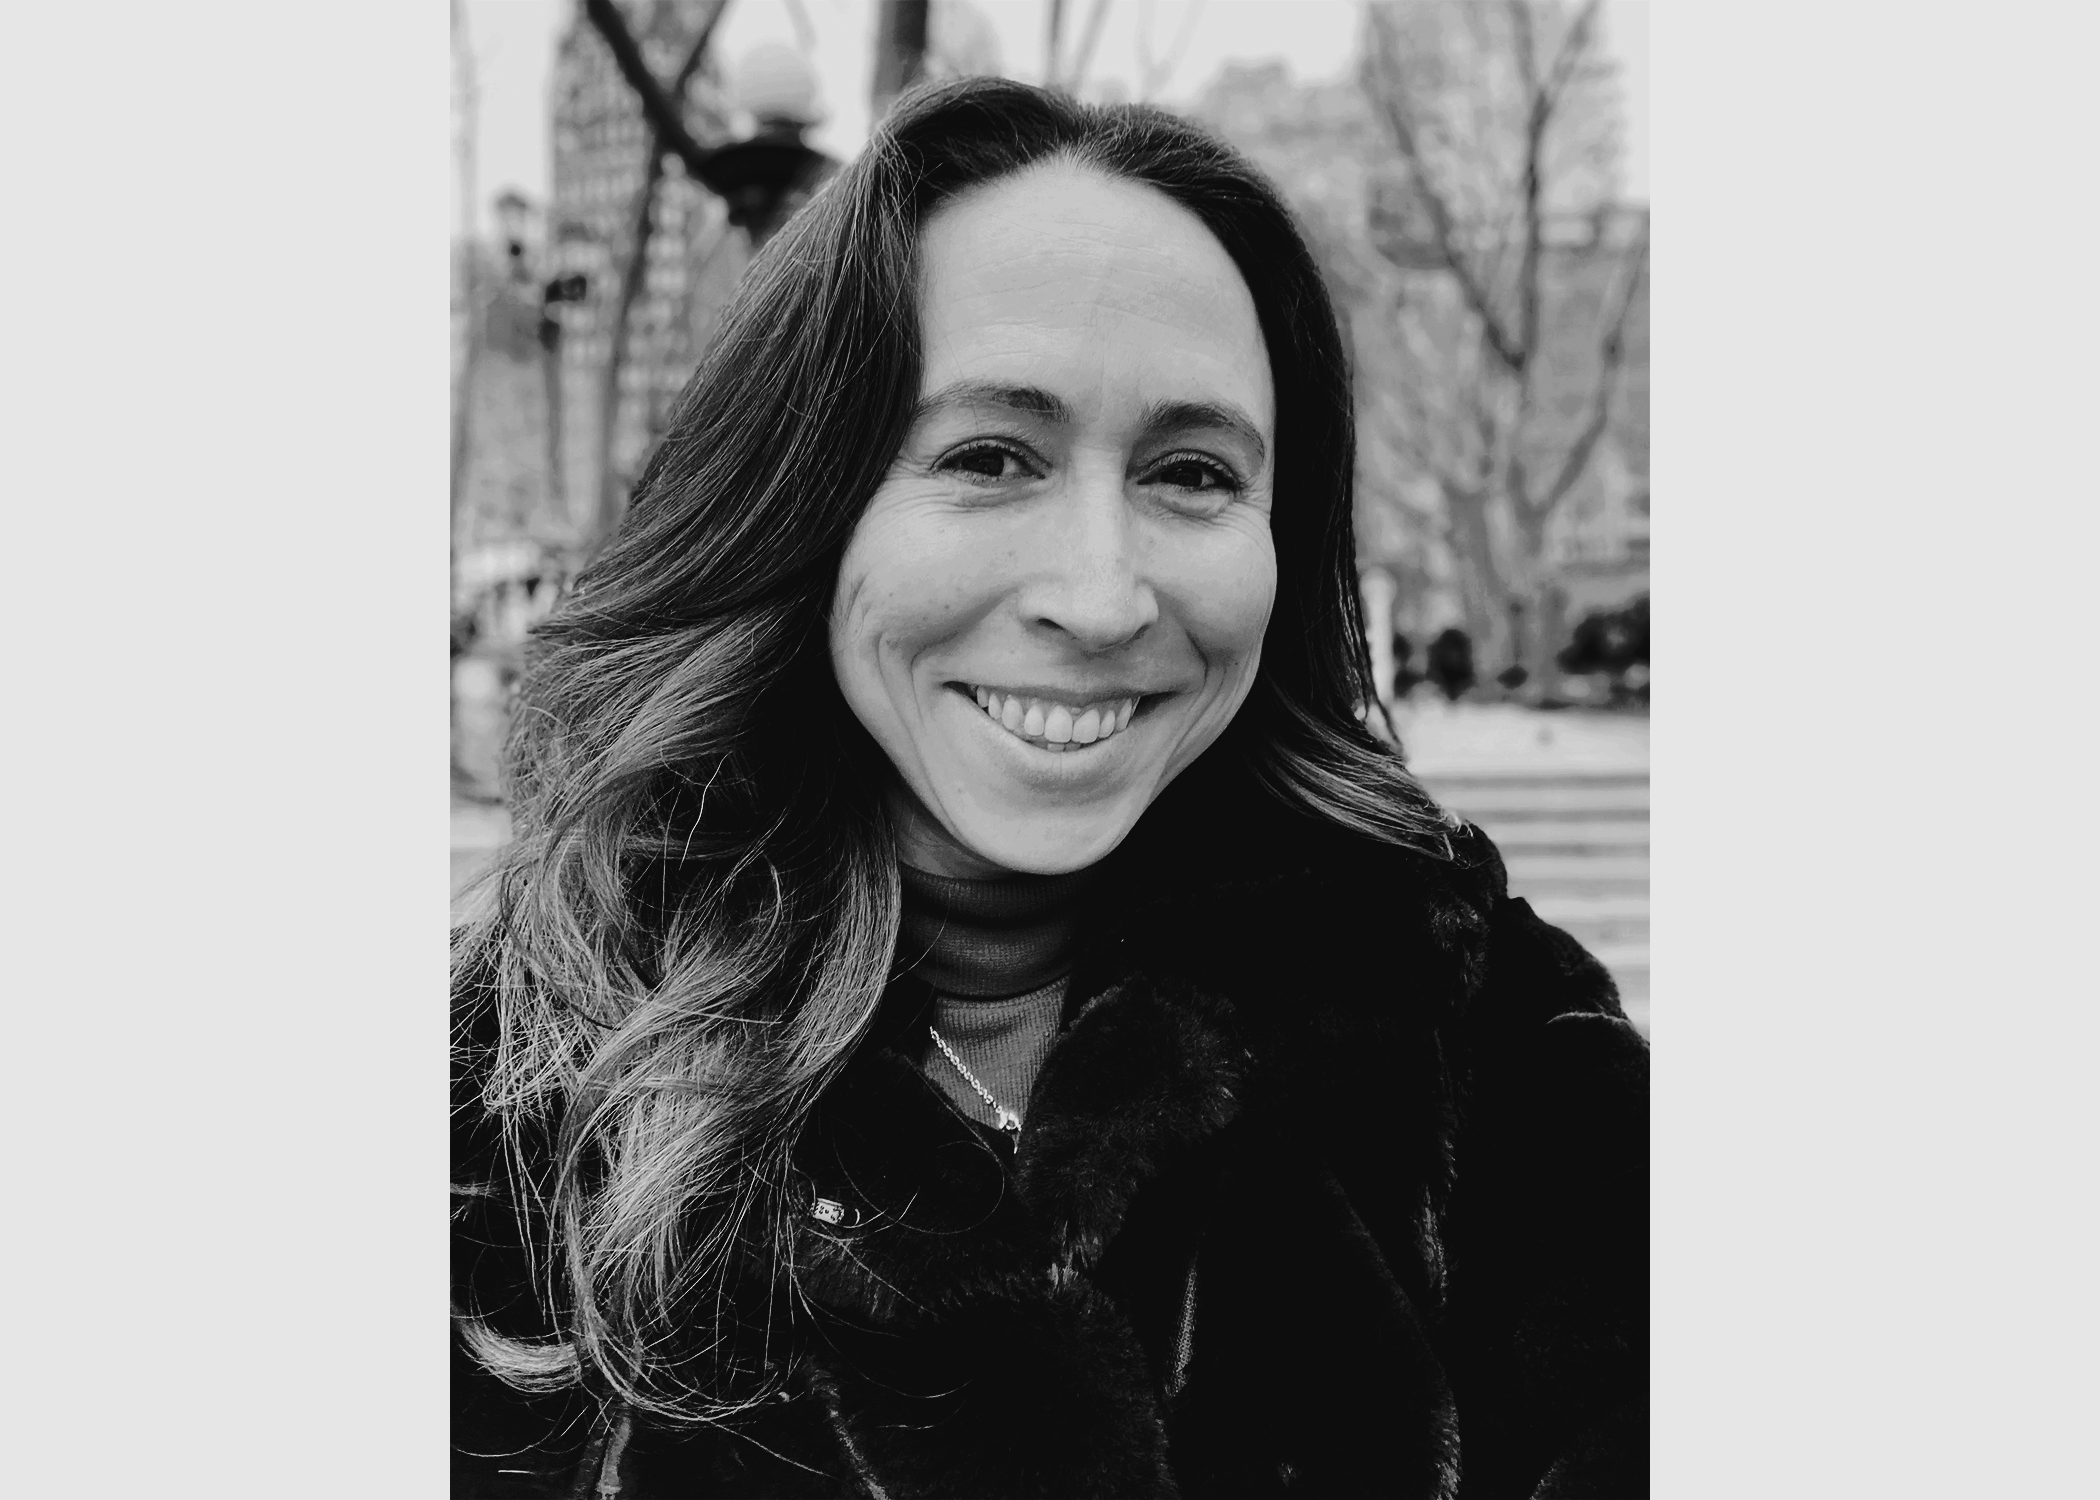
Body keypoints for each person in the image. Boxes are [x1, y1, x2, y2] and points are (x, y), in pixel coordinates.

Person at [453, 78, 1647, 1500]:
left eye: (1194, 473)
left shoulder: (1480, 1041)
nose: (1100, 595)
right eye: (989, 456)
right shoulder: (515, 1096)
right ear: (803, 503)